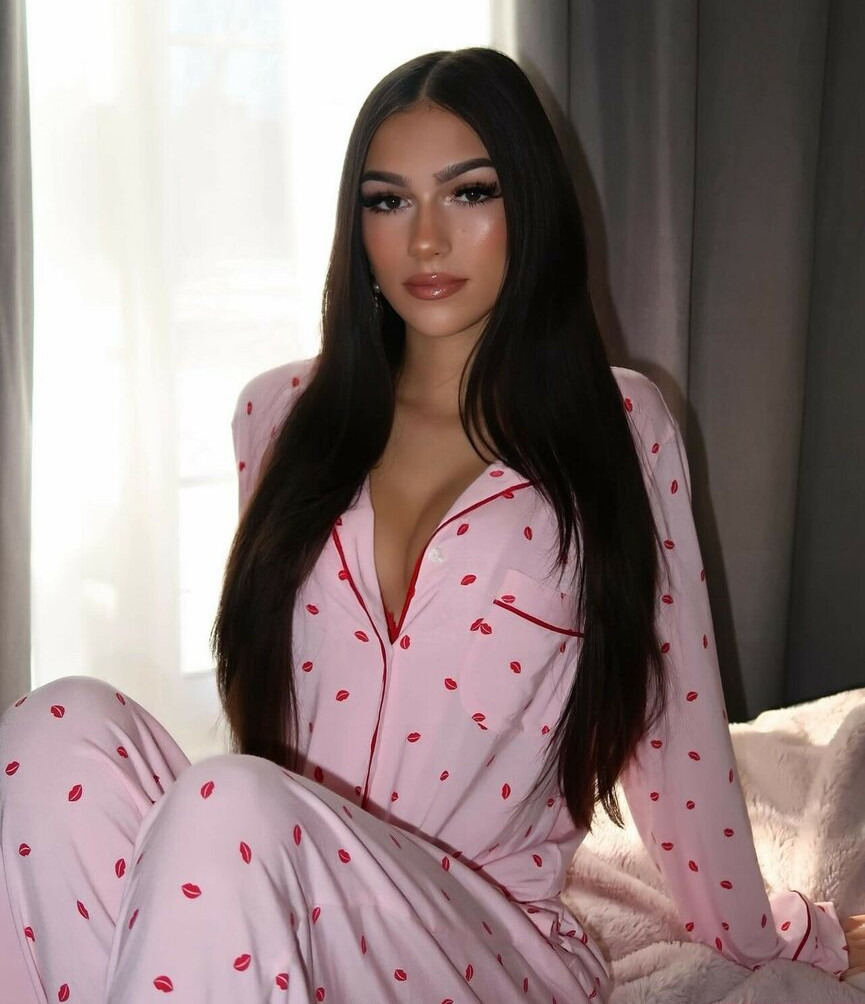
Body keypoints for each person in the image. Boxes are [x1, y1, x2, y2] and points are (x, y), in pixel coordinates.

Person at [1, 45, 863, 1004]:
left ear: (527, 207)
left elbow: (674, 729)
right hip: (289, 895)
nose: (424, 240)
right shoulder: (278, 417)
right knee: (52, 731)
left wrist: (777, 936)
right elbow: (266, 711)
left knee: (226, 802)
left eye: (468, 193)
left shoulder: (616, 428)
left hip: (488, 946)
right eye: (387, 201)